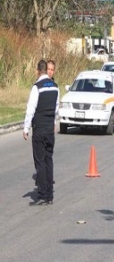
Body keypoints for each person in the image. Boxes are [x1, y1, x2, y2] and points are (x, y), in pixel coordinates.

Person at [23, 59, 59, 206]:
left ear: (38, 71)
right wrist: (54, 123)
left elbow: (31, 108)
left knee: (40, 162)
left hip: (39, 130)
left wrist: (26, 128)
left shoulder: (37, 87)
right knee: (48, 161)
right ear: (47, 70)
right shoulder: (56, 87)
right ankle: (50, 194)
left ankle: (43, 195)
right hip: (50, 130)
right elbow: (56, 109)